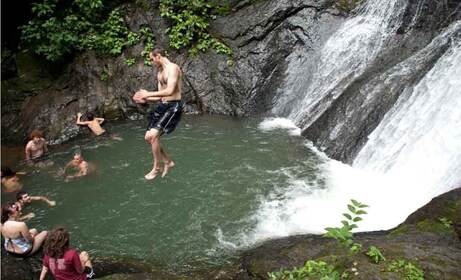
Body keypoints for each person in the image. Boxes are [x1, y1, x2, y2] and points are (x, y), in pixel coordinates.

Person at [133, 48, 183, 180]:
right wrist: (145, 99)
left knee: (153, 136)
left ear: (158, 56)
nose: (151, 62)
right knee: (148, 137)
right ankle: (167, 161)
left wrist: (148, 93)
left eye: (152, 59)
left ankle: (156, 168)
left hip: (173, 107)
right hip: (163, 106)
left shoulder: (173, 69)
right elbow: (161, 96)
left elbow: (170, 91)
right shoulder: (160, 73)